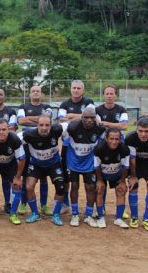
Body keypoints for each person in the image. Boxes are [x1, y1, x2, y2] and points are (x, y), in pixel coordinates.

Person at [19, 115, 67, 226]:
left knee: (61, 187)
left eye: (47, 125)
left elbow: (71, 124)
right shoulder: (28, 135)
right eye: (41, 125)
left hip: (54, 164)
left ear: (51, 125)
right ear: (37, 126)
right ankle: (35, 214)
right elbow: (11, 136)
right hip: (36, 164)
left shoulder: (58, 129)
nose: (44, 128)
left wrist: (96, 121)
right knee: (29, 186)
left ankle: (55, 215)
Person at [58, 80, 95, 213]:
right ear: (70, 90)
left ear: (83, 90)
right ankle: (66, 204)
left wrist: (72, 116)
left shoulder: (89, 101)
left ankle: (91, 208)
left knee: (90, 181)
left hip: (85, 144)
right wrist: (81, 117)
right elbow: (61, 120)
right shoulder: (64, 104)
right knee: (67, 178)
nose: (76, 90)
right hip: (68, 145)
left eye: (79, 88)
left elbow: (92, 116)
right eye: (74, 88)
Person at [66, 107, 106, 227]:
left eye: (92, 117)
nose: (89, 120)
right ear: (82, 117)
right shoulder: (72, 127)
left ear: (95, 118)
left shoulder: (100, 129)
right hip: (73, 162)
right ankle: (75, 214)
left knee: (90, 187)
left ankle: (88, 215)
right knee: (74, 186)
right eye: (86, 117)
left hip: (89, 163)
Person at [17, 85, 52, 216]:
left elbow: (48, 120)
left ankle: (43, 205)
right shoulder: (23, 106)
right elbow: (21, 121)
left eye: (38, 91)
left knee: (43, 176)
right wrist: (39, 119)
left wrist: (30, 119)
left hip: (42, 142)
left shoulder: (47, 107)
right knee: (26, 174)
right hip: (26, 143)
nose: (36, 93)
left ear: (41, 93)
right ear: (30, 94)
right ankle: (24, 203)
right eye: (33, 91)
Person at [95, 84, 129, 218]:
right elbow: (98, 124)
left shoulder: (121, 109)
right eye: (107, 94)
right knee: (101, 179)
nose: (109, 96)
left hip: (117, 147)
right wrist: (116, 125)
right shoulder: (97, 109)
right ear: (104, 95)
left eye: (111, 93)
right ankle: (101, 208)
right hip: (103, 148)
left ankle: (121, 210)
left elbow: (124, 126)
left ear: (115, 95)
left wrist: (106, 124)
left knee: (119, 178)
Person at [94, 128, 130, 229]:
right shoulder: (99, 149)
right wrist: (100, 181)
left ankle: (118, 218)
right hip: (102, 174)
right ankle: (100, 217)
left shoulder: (124, 149)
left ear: (120, 139)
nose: (114, 142)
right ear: (106, 138)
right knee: (100, 190)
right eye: (111, 138)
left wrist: (123, 182)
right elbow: (96, 166)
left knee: (121, 191)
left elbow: (126, 167)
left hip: (117, 174)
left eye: (116, 139)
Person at [125, 117, 148, 230]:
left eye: (147, 131)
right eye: (140, 131)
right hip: (135, 164)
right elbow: (132, 159)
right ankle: (134, 217)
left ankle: (147, 218)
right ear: (136, 130)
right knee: (133, 186)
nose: (143, 134)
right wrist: (133, 176)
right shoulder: (130, 138)